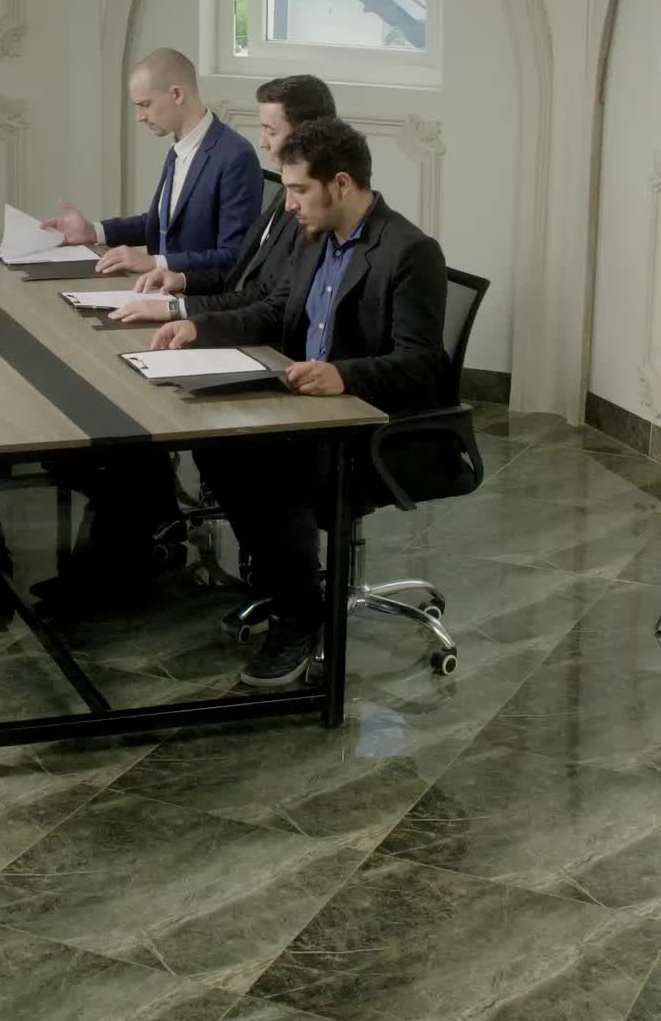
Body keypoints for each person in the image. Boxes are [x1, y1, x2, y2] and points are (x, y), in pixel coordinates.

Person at [152, 117, 450, 689]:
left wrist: (342, 374)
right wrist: (197, 327)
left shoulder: (410, 252)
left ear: (341, 184)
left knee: (269, 467)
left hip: (372, 426)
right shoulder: (315, 238)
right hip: (305, 405)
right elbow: (274, 310)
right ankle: (289, 584)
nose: (287, 205)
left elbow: (422, 365)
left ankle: (300, 614)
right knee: (216, 447)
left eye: (298, 190)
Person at [108, 74, 337, 328]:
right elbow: (240, 276)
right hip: (227, 314)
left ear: (306, 135)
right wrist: (183, 279)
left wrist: (178, 309)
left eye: (270, 131)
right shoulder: (286, 195)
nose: (262, 142)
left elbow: (268, 301)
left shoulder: (312, 212)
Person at [43, 48, 262, 277]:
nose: (139, 116)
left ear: (176, 94)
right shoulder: (179, 148)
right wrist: (93, 231)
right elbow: (162, 224)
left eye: (145, 104)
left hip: (195, 294)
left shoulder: (236, 156)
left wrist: (154, 263)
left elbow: (233, 256)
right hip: (156, 288)